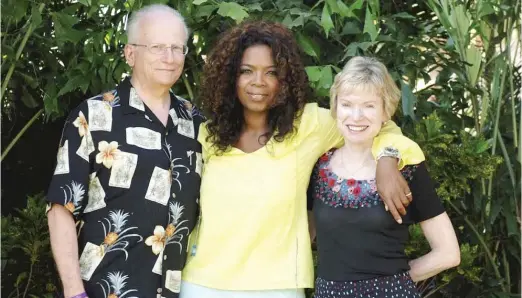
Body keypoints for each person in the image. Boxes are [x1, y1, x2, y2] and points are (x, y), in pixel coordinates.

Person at [180, 21, 425, 298]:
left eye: (271, 72)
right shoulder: (208, 135)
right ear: (229, 77)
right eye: (246, 71)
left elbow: (377, 125)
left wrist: (387, 158)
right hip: (202, 282)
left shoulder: (308, 125)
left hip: (277, 287)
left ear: (284, 79)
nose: (258, 82)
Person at [46, 4, 204, 298]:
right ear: (130, 54)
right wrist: (73, 290)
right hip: (103, 289)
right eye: (157, 47)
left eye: (177, 48)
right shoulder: (93, 116)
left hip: (180, 290)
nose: (169, 58)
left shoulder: (197, 123)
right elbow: (61, 208)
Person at [308, 56, 460, 298]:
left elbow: (448, 253)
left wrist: (391, 283)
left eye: (369, 106)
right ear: (335, 108)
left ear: (385, 112)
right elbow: (304, 237)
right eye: (347, 104)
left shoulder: (406, 169)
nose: (356, 116)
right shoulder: (318, 168)